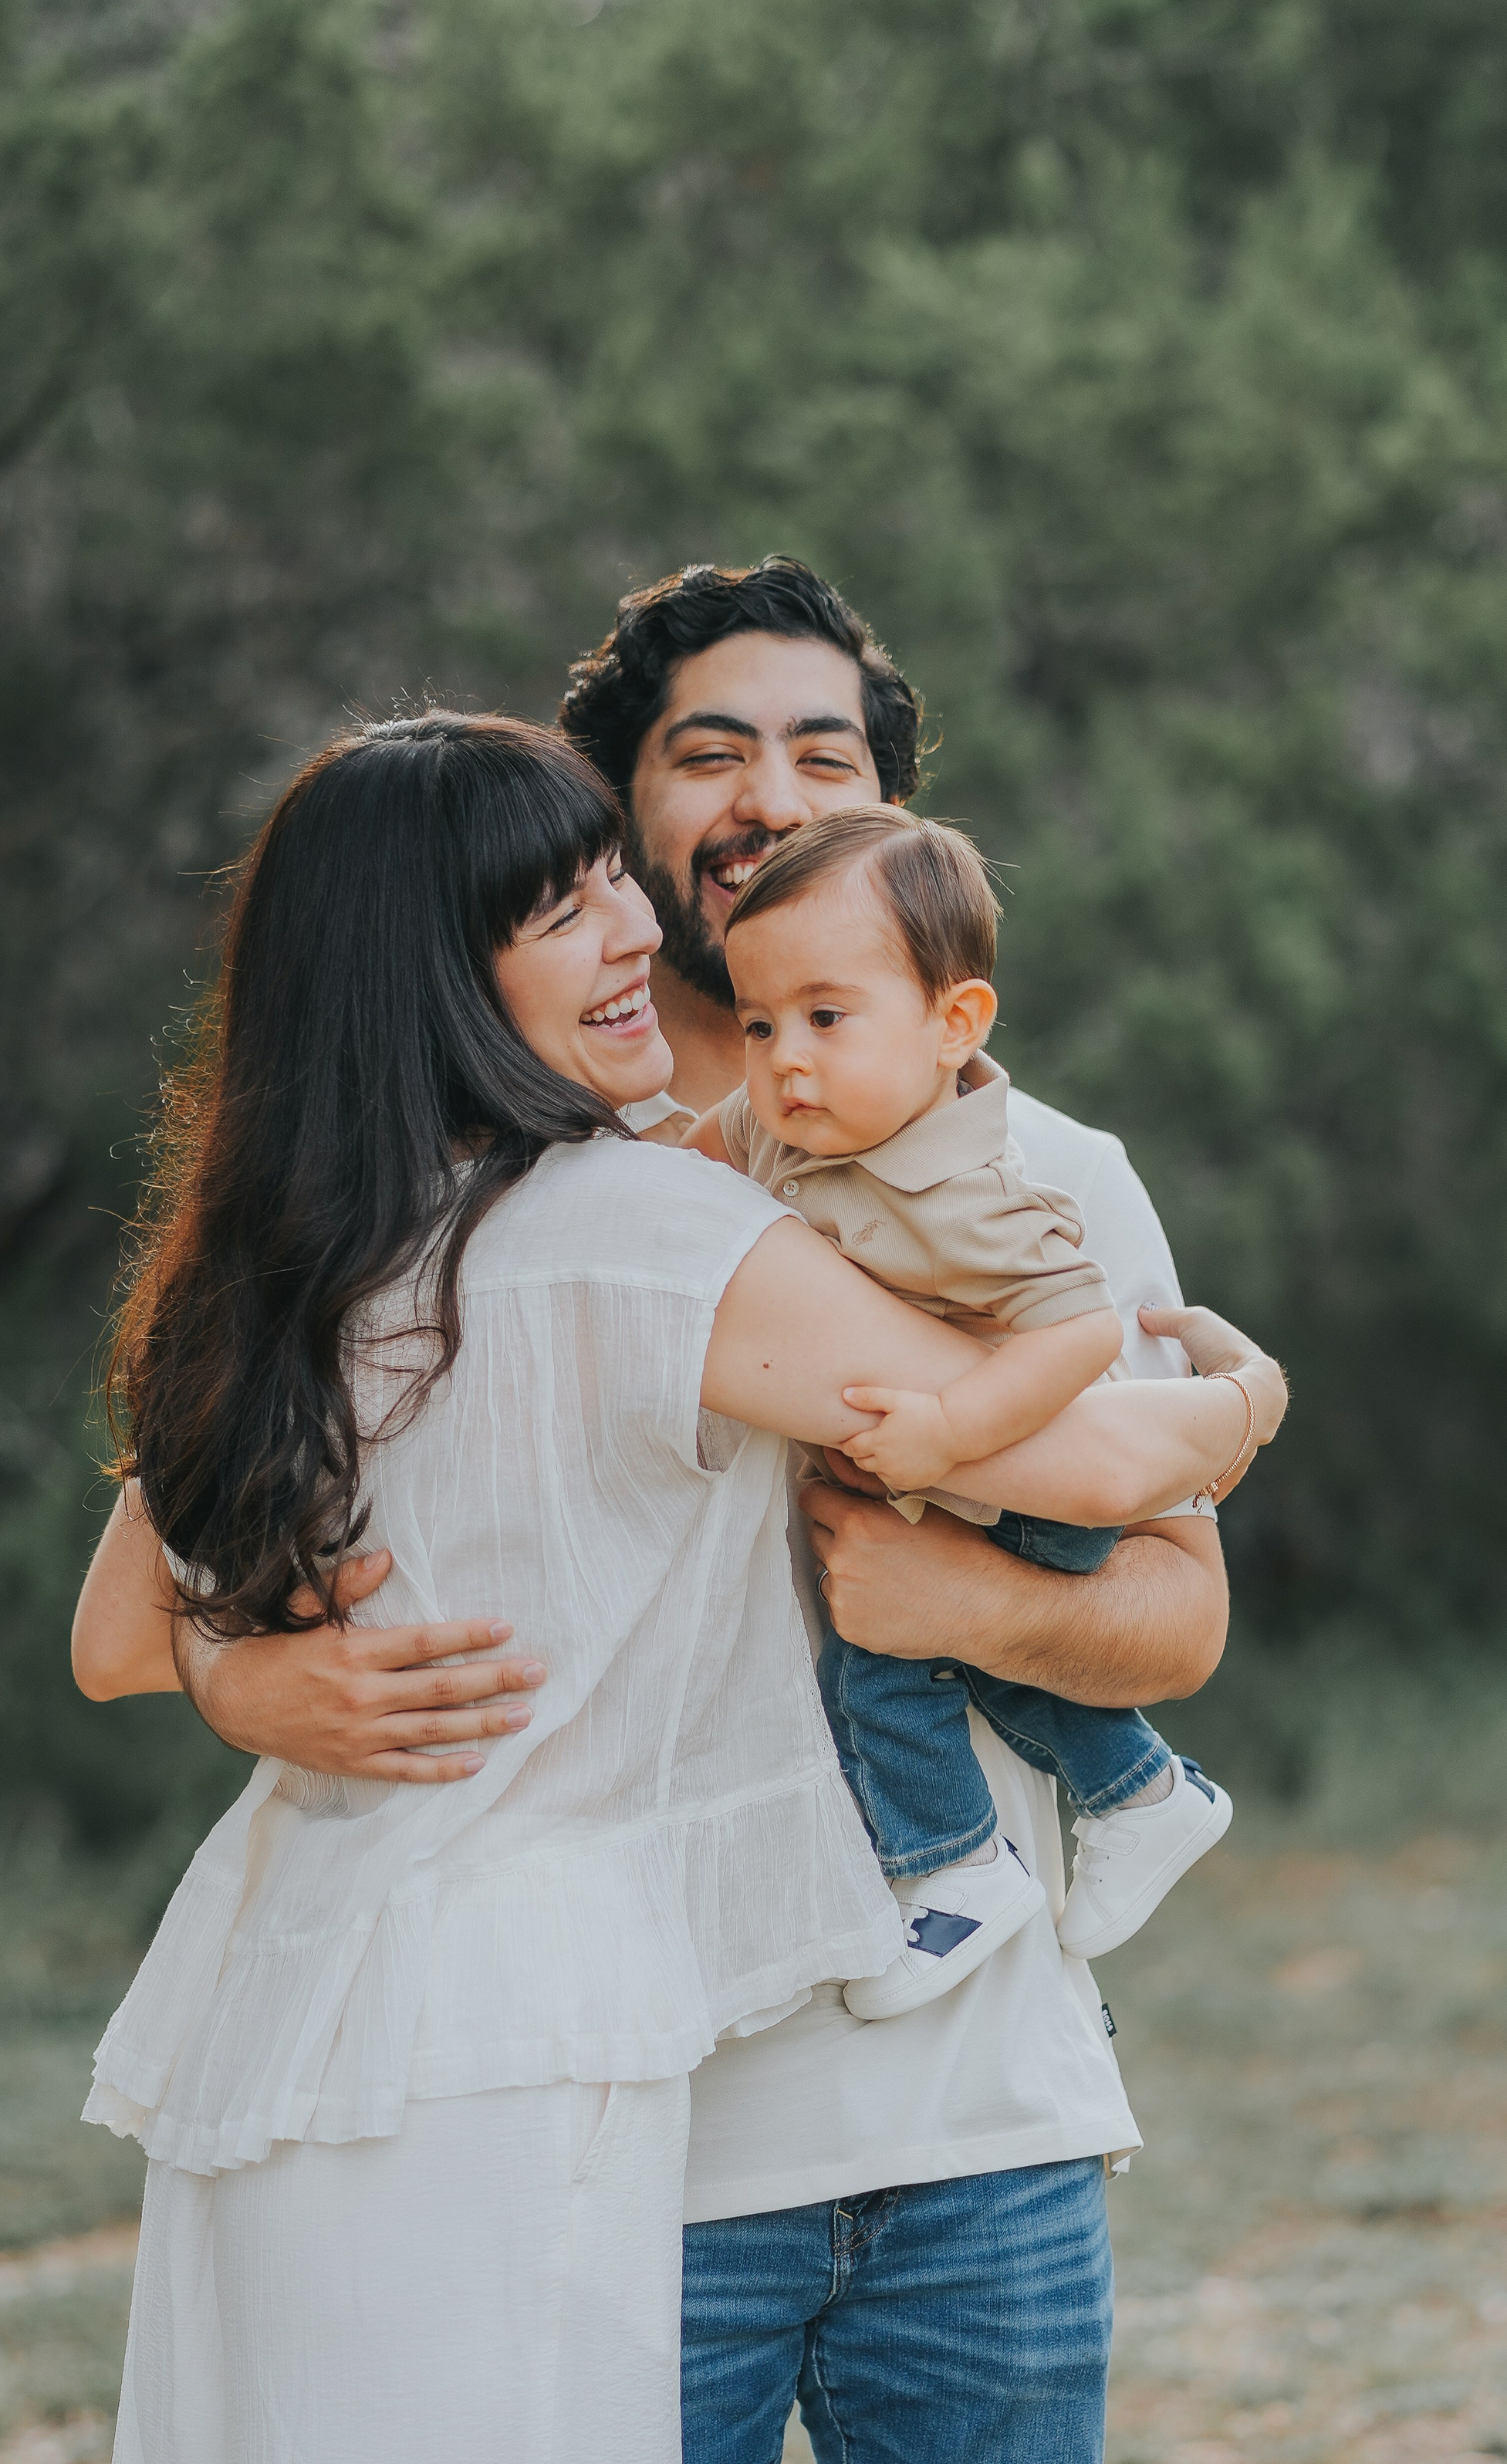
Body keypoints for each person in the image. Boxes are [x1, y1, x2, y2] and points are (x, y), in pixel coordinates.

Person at [74, 561, 1255, 2464]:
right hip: (633, 2109)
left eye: (825, 753)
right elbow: (153, 1604)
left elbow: (1174, 1621)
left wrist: (947, 1601)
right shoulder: (583, 1196)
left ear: (895, 819)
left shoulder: (1035, 1172)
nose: (767, 801)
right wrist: (248, 1682)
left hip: (965, 2113)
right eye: (706, 759)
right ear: (621, 810)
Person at [687, 806, 1239, 2022]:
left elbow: (1084, 1331)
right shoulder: (792, 1125)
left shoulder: (972, 1184)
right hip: (940, 1483)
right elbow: (696, 1159)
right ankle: (1146, 1798)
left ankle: (956, 1868)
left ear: (955, 1027)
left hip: (1019, 1483)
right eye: (760, 1024)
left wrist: (952, 1430)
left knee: (889, 1671)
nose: (785, 1058)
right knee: (948, 1658)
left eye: (827, 1019)